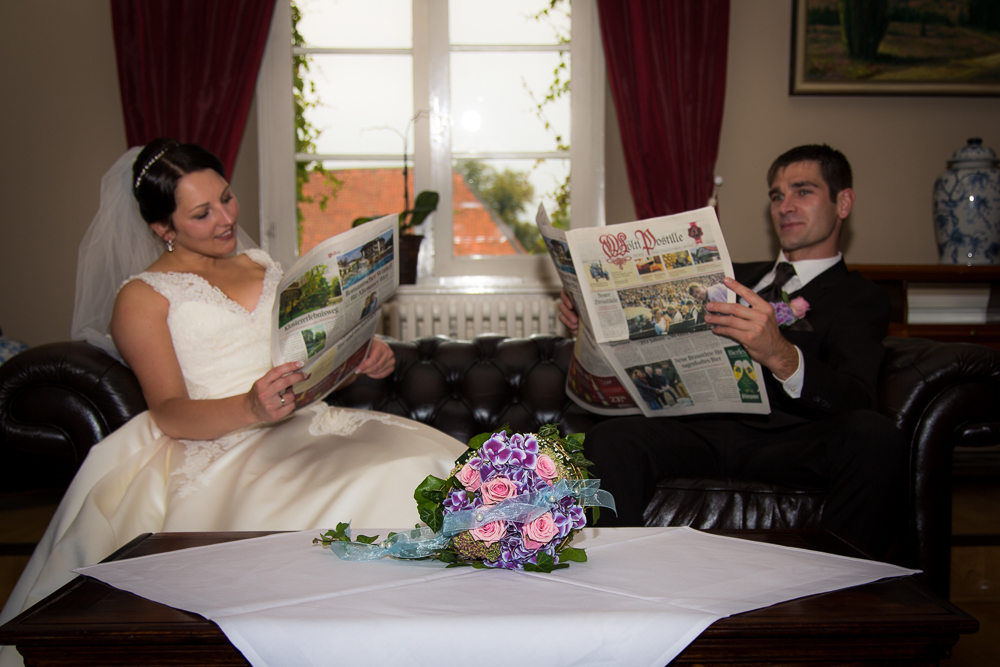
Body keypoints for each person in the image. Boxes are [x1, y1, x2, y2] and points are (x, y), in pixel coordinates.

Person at [0, 140, 466, 641]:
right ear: (163, 228)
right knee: (366, 489)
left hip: (306, 422)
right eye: (202, 213)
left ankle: (443, 628)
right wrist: (249, 406)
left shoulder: (264, 267)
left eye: (226, 197)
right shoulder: (141, 297)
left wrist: (357, 359)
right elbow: (170, 413)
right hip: (222, 439)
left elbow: (298, 366)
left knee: (427, 466)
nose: (225, 218)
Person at [558, 145, 902, 558]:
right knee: (612, 439)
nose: (785, 206)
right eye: (777, 196)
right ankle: (614, 578)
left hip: (787, 439)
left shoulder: (860, 297)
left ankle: (845, 589)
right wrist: (591, 327)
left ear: (842, 202)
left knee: (874, 436)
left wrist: (783, 356)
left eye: (802, 192)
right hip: (700, 430)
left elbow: (856, 395)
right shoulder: (731, 274)